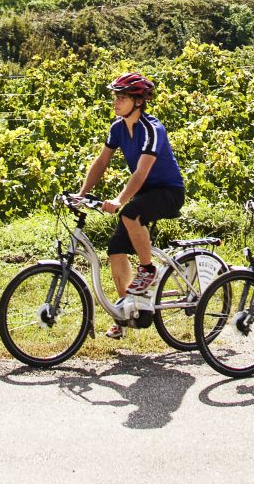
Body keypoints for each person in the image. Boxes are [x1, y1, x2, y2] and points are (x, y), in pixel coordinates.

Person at [76, 71, 186, 338]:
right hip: (144, 193)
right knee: (115, 249)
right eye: (115, 96)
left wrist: (119, 200)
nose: (116, 102)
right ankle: (127, 313)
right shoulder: (117, 128)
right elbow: (102, 162)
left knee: (130, 212)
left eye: (122, 97)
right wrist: (81, 193)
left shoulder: (152, 129)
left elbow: (141, 172)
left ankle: (148, 269)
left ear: (138, 101)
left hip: (168, 191)